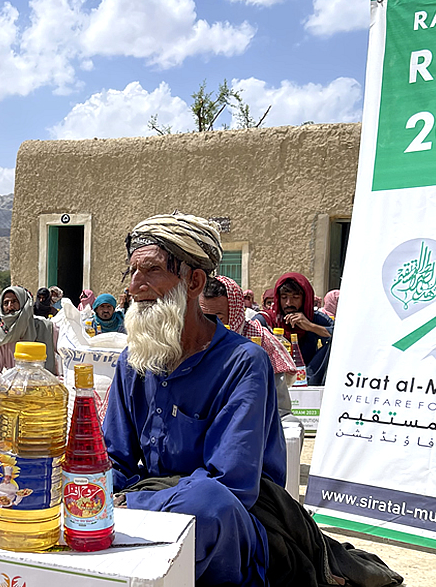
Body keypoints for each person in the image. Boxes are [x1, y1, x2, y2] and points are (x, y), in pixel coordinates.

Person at [103, 214, 401, 587]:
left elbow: (231, 484)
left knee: (207, 505)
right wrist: (99, 491)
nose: (135, 285)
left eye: (151, 271)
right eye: (132, 271)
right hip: (153, 505)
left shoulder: (243, 362)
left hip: (235, 520)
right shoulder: (133, 361)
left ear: (194, 282)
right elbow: (114, 458)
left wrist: (133, 503)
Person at [200, 275, 295, 417]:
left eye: (219, 318)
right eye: (203, 318)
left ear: (235, 313)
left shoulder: (261, 342)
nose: (209, 326)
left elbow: (281, 410)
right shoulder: (188, 343)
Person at [256, 273, 333, 385]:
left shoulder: (314, 318)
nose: (289, 303)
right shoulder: (266, 319)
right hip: (274, 381)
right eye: (284, 298)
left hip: (309, 380)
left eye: (295, 298)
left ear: (305, 299)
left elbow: (342, 336)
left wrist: (311, 327)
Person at [0, 287, 57, 376]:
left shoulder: (46, 328)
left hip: (45, 383)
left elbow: (62, 362)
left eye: (14, 301)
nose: (10, 307)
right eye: (6, 303)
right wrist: (11, 381)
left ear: (24, 303)